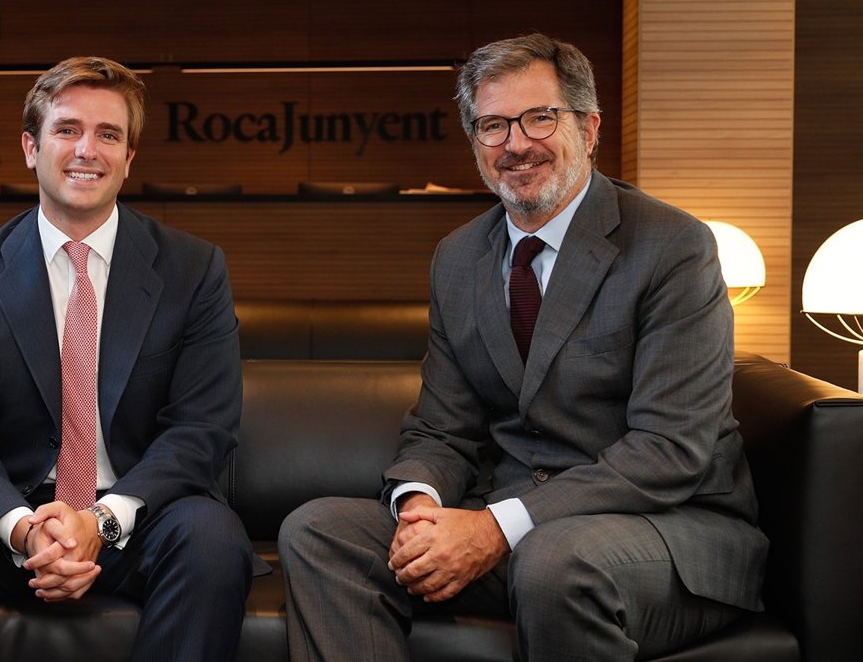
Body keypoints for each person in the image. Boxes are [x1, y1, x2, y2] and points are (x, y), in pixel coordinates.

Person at [279, 33, 767, 661]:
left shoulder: (673, 246)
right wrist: (421, 508)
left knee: (554, 562)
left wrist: (495, 526)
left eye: (540, 117)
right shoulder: (459, 257)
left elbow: (669, 449)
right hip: (520, 530)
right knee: (319, 532)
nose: (515, 144)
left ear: (589, 128)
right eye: (493, 125)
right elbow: (442, 429)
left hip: (666, 528)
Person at [0, 56, 254, 662]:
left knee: (214, 542)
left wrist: (99, 522)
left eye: (108, 135)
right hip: (7, 514)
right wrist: (25, 529)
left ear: (129, 157)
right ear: (31, 147)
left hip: (137, 514)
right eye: (67, 129)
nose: (86, 150)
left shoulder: (194, 269)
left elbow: (202, 429)